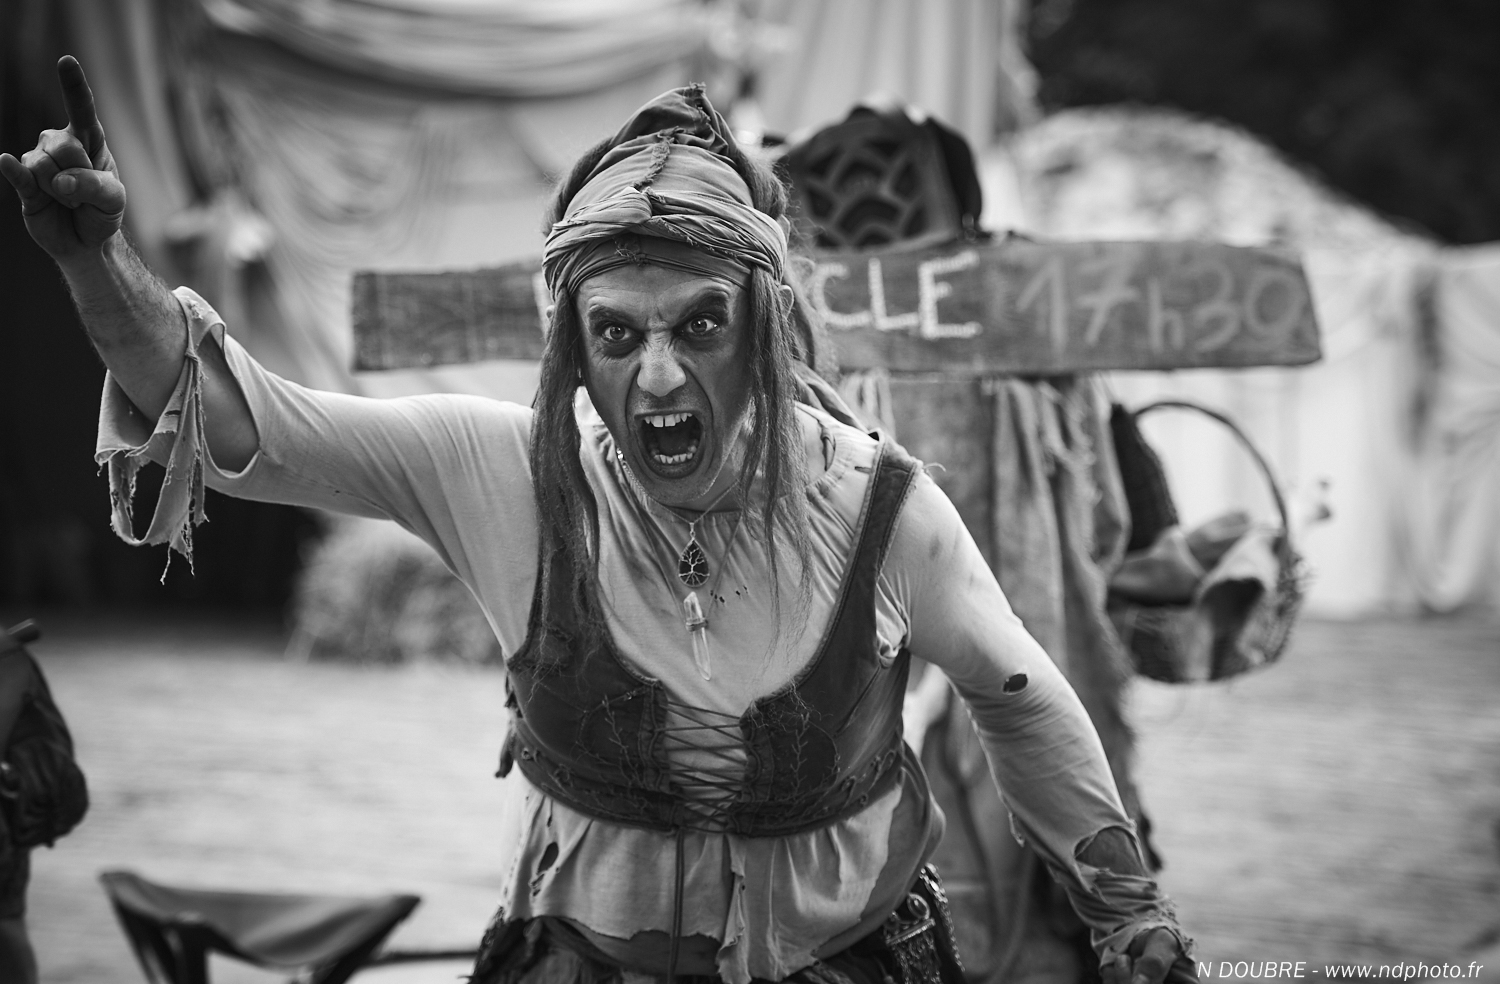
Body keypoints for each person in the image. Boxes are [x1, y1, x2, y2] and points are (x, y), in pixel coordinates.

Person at [2, 57, 1195, 984]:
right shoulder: (503, 474)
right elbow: (239, 420)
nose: (658, 376)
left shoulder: (878, 507)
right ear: (573, 346)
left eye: (700, 325)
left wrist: (1127, 913)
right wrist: (97, 261)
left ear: (771, 327)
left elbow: (1020, 696)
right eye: (617, 334)